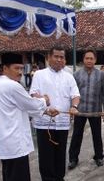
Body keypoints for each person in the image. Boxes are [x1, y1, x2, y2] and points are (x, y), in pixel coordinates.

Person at [0, 53, 59, 181]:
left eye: (22, 68)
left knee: (9, 175)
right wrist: (44, 99)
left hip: (6, 142)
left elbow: (22, 107)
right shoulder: (11, 86)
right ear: (5, 69)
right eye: (16, 68)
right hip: (14, 142)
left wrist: (45, 111)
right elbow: (31, 104)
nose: (20, 72)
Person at [29, 46, 80, 181]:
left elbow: (75, 94)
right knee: (46, 155)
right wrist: (45, 106)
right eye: (56, 56)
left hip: (62, 122)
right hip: (44, 122)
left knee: (60, 154)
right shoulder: (39, 75)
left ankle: (59, 178)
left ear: (65, 60)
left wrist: (74, 106)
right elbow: (34, 94)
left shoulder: (69, 77)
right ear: (48, 58)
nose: (59, 59)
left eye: (62, 57)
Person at [68, 50, 104, 170]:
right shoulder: (76, 75)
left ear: (95, 60)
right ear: (83, 60)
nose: (89, 60)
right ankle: (73, 159)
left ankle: (99, 157)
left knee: (97, 135)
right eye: (87, 58)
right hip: (79, 111)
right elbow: (72, 93)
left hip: (95, 111)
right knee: (76, 136)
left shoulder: (101, 75)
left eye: (91, 58)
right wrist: (71, 108)